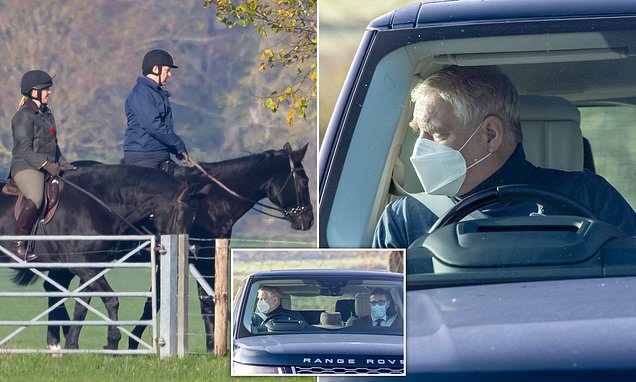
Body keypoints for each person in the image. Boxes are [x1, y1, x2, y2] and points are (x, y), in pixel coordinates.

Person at [373, 65, 636, 248]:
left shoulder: (590, 198)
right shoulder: (404, 219)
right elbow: (384, 314)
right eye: (418, 132)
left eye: (437, 133)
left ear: (491, 135)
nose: (420, 148)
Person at [10, 70, 76, 261]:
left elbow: (54, 144)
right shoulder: (23, 116)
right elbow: (24, 150)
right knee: (36, 197)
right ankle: (17, 245)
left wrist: (63, 162)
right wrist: (47, 165)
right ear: (34, 92)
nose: (49, 92)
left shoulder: (47, 114)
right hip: (26, 166)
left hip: (47, 165)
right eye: (46, 89)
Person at [123, 49, 189, 171]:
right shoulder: (141, 94)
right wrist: (177, 143)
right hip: (144, 157)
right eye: (167, 71)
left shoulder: (156, 93)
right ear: (155, 70)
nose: (169, 75)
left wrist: (174, 150)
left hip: (158, 155)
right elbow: (154, 125)